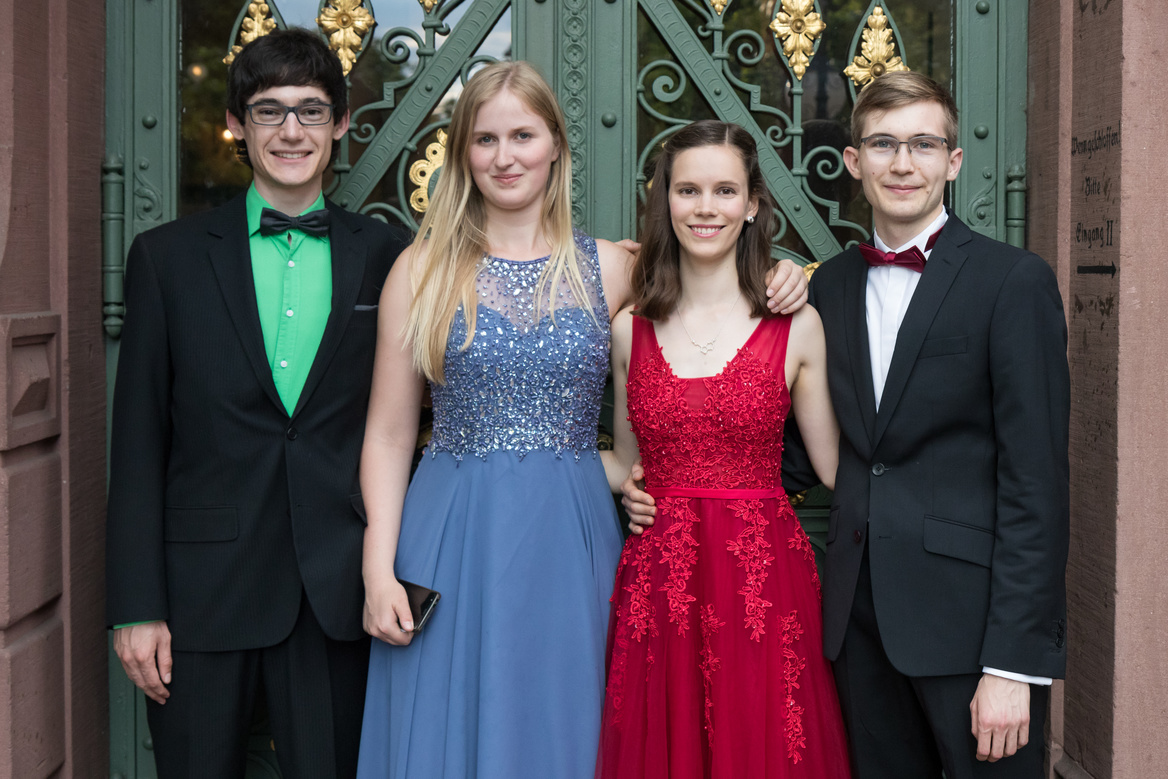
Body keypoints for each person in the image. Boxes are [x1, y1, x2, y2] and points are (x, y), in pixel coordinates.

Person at [354, 64, 810, 779]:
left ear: (556, 146)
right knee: (448, 723)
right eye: (485, 139)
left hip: (571, 531)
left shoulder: (614, 269)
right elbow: (387, 434)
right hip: (452, 530)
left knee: (571, 722)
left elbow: (712, 290)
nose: (505, 156)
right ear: (463, 153)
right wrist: (378, 569)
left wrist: (782, 276)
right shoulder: (420, 271)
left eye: (523, 136)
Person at [628, 72, 1070, 779]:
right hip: (854, 631)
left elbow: (1036, 485)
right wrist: (666, 482)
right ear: (854, 161)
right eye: (884, 144)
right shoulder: (824, 287)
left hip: (970, 633)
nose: (903, 163)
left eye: (924, 144)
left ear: (954, 161)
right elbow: (800, 447)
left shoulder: (1012, 282)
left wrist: (1014, 663)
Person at [105, 29, 408, 779]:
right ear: (236, 124)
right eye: (269, 111)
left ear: (341, 123)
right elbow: (138, 443)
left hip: (336, 588)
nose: (291, 131)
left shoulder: (388, 254)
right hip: (202, 593)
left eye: (311, 110)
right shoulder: (166, 258)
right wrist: (136, 605)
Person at [597, 120, 851, 779]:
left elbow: (835, 468)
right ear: (665, 200)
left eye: (725, 190)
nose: (706, 207)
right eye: (688, 190)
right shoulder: (628, 328)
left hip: (763, 584)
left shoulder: (797, 322)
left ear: (753, 204)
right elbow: (625, 462)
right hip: (660, 581)